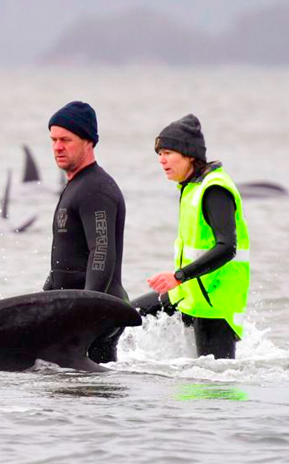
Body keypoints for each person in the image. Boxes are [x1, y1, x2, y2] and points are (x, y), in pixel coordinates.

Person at [140, 114, 250, 359]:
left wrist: (178, 276)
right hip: (189, 293)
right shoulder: (191, 187)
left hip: (215, 304)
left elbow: (227, 247)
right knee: (125, 316)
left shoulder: (214, 189)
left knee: (213, 384)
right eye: (159, 154)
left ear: (189, 154)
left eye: (167, 152)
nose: (161, 160)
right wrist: (180, 281)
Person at [43, 101, 128, 363]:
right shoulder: (76, 185)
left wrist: (87, 312)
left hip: (97, 315)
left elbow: (100, 252)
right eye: (53, 139)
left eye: (65, 139)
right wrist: (45, 299)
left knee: (92, 396)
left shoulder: (96, 190)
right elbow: (67, 256)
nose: (57, 147)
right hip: (79, 311)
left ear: (88, 142)